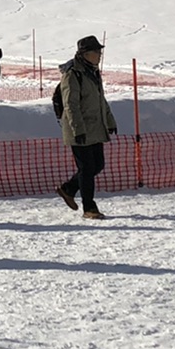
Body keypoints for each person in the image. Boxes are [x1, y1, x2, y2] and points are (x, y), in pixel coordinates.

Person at [55, 35, 117, 220]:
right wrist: (77, 129)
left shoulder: (93, 72)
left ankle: (68, 188)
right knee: (87, 168)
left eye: (100, 51)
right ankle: (89, 207)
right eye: (96, 51)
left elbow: (100, 100)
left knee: (97, 165)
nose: (99, 55)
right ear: (85, 54)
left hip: (95, 127)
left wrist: (110, 120)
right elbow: (70, 104)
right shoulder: (73, 73)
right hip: (80, 129)